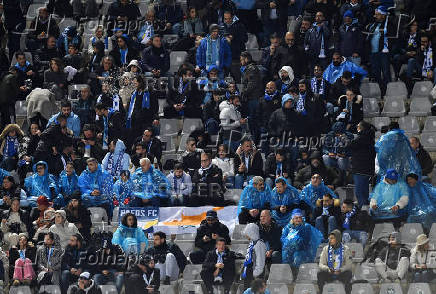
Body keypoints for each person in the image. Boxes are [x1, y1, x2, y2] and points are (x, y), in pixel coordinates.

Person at [350, 121, 376, 208]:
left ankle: (363, 213)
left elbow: (350, 145)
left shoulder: (362, 138)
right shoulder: (369, 137)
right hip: (366, 169)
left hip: (360, 169)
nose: (356, 128)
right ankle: (366, 210)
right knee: (364, 193)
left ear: (361, 128)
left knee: (360, 193)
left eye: (358, 126)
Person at [241, 223, 267, 289]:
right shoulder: (252, 244)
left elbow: (260, 262)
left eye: (247, 233)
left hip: (255, 275)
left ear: (251, 233)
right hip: (249, 273)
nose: (246, 235)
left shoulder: (259, 244)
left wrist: (254, 275)